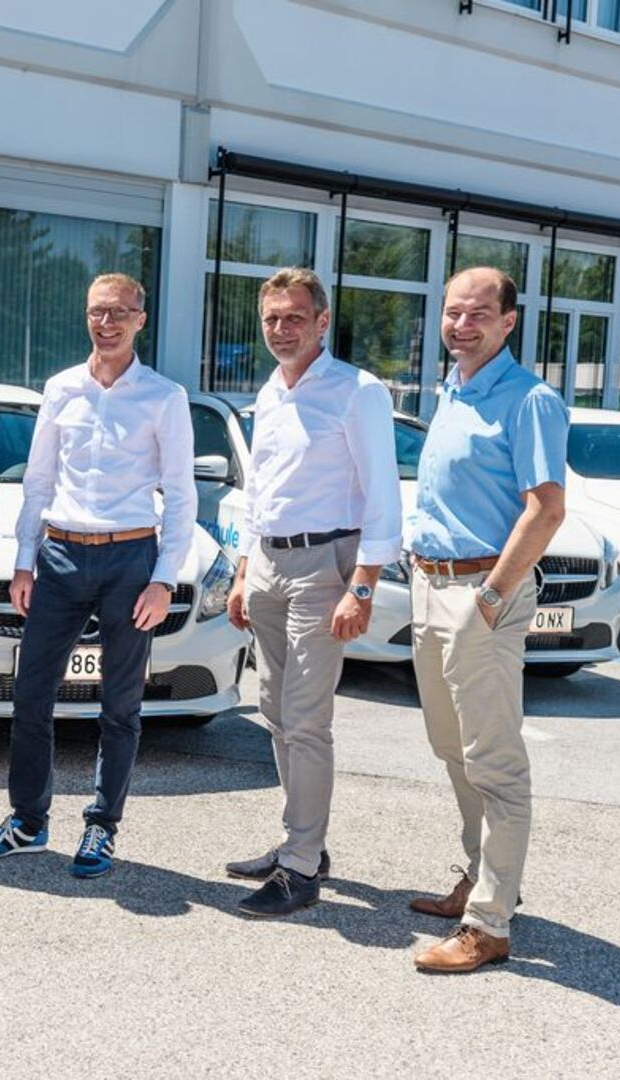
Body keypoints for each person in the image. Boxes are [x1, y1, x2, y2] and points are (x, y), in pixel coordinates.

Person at [0, 272, 193, 879]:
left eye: (119, 312)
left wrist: (164, 579)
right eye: (97, 312)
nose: (106, 323)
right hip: (60, 558)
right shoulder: (61, 388)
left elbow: (182, 494)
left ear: (141, 319)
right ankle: (27, 822)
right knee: (31, 695)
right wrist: (24, 561)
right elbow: (38, 480)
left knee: (120, 705)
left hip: (130, 560)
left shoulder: (164, 397)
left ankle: (102, 826)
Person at [222, 268, 401, 917]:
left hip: (326, 565)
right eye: (272, 318)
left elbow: (383, 494)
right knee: (273, 709)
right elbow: (259, 490)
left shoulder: (358, 391)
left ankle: (299, 868)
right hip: (269, 563)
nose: (281, 329)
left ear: (323, 322)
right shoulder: (270, 391)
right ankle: (304, 841)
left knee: (306, 717)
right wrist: (244, 571)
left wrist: (364, 587)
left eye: (295, 317)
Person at [405, 266, 567, 972]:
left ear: (508, 322)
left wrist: (493, 598)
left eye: (478, 314)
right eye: (453, 312)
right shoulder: (452, 388)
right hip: (430, 587)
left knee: (496, 762)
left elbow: (546, 510)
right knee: (452, 747)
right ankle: (482, 877)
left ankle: (490, 924)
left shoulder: (529, 399)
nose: (462, 325)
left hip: (482, 594)